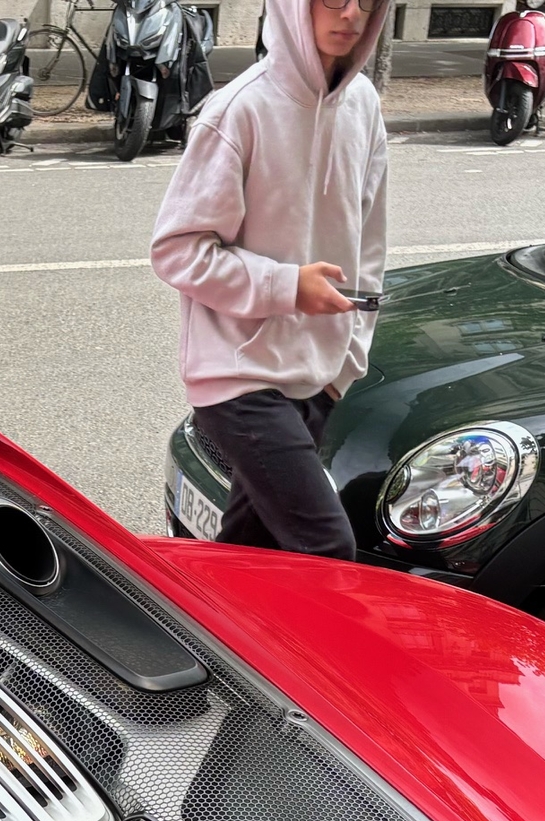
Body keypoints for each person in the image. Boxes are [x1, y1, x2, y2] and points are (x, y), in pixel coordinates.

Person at [150, 0, 391, 562]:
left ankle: (206, 649)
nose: (351, 13)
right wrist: (288, 287)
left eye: (367, 0)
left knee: (248, 557)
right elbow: (177, 250)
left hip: (318, 377)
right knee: (328, 547)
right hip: (239, 378)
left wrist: (347, 361)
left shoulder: (363, 105)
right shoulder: (239, 109)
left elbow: (369, 246)